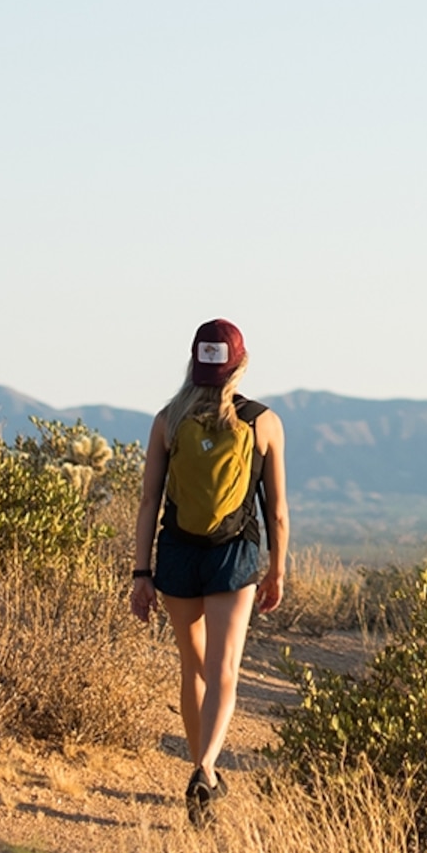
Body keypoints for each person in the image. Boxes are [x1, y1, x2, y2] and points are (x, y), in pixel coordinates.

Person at [127, 317, 287, 823]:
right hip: (232, 556)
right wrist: (277, 569)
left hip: (176, 553)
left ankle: (203, 768)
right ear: (239, 364)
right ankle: (207, 767)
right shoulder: (263, 422)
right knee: (224, 670)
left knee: (192, 668)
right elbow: (277, 510)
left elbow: (149, 500)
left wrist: (141, 573)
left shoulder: (167, 420)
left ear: (195, 362)